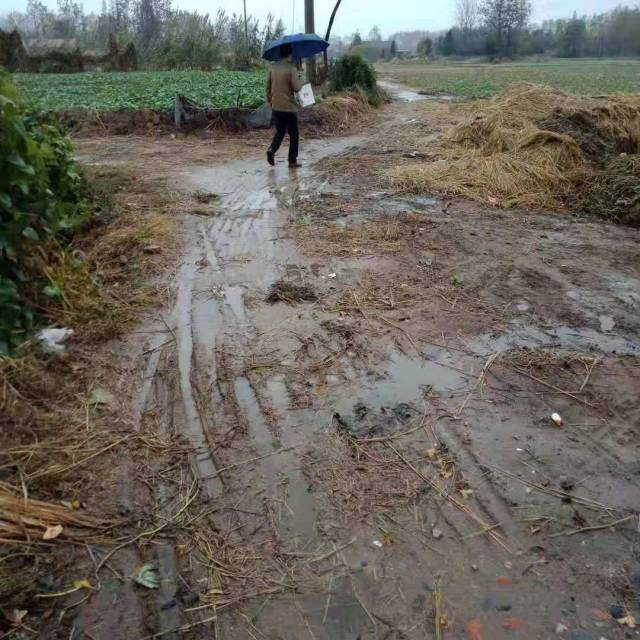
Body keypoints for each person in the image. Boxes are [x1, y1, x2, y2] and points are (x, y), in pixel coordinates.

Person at [266, 43, 304, 168]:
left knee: (280, 131)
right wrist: (299, 77)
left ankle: (272, 149)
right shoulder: (291, 68)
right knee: (294, 134)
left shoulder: (273, 68)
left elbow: (268, 88)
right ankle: (292, 161)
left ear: (279, 54)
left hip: (276, 106)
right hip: (289, 107)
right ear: (290, 54)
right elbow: (297, 88)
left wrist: (270, 102)